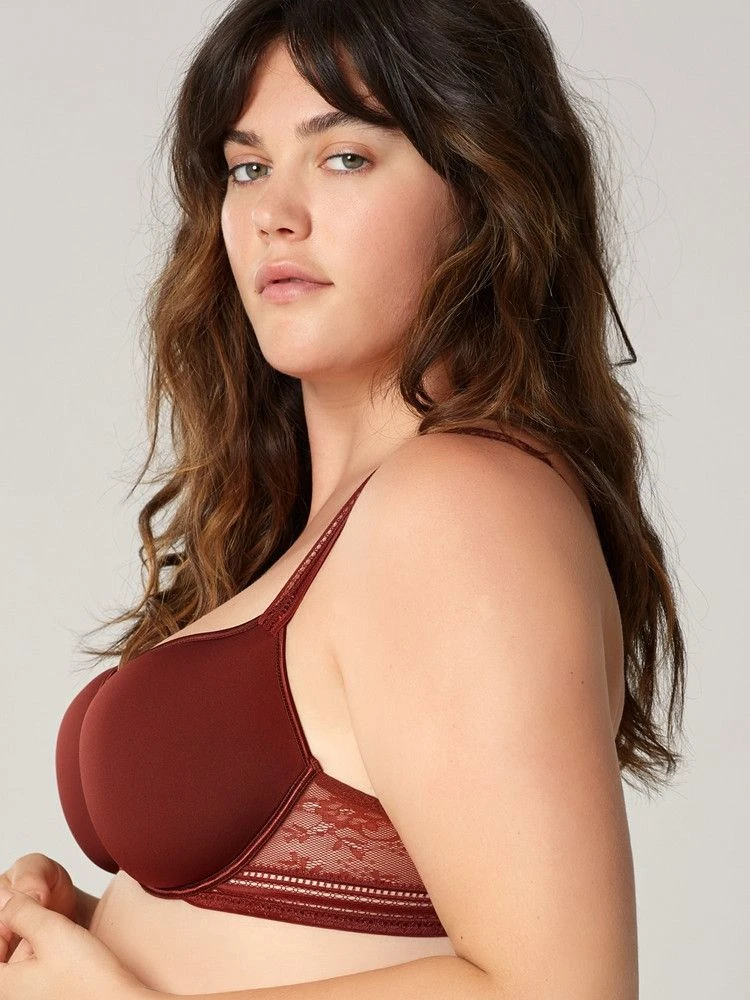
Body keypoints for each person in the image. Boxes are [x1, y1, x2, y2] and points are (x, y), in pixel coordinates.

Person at [0, 1, 686, 998]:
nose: (274, 212)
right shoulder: (320, 526)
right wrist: (91, 930)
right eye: (247, 167)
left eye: (344, 157)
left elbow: (562, 989)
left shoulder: (461, 505)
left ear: (480, 191)